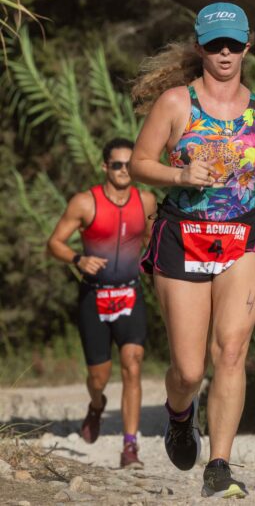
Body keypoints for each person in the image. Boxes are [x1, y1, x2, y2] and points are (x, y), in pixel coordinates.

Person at [130, 2, 255, 498]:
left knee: (232, 350)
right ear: (200, 46)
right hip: (183, 235)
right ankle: (181, 415)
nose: (225, 53)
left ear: (248, 46)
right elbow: (138, 163)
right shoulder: (176, 103)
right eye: (216, 44)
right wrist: (179, 175)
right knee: (189, 369)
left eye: (234, 44)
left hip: (242, 236)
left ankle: (219, 464)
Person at [47, 137, 156, 468]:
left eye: (129, 164)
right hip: (95, 297)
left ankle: (130, 446)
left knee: (133, 363)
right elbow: (54, 243)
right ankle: (97, 404)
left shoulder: (146, 200)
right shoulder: (85, 202)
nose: (124, 170)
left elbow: (151, 241)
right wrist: (78, 259)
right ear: (105, 166)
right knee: (99, 377)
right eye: (117, 164)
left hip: (130, 293)